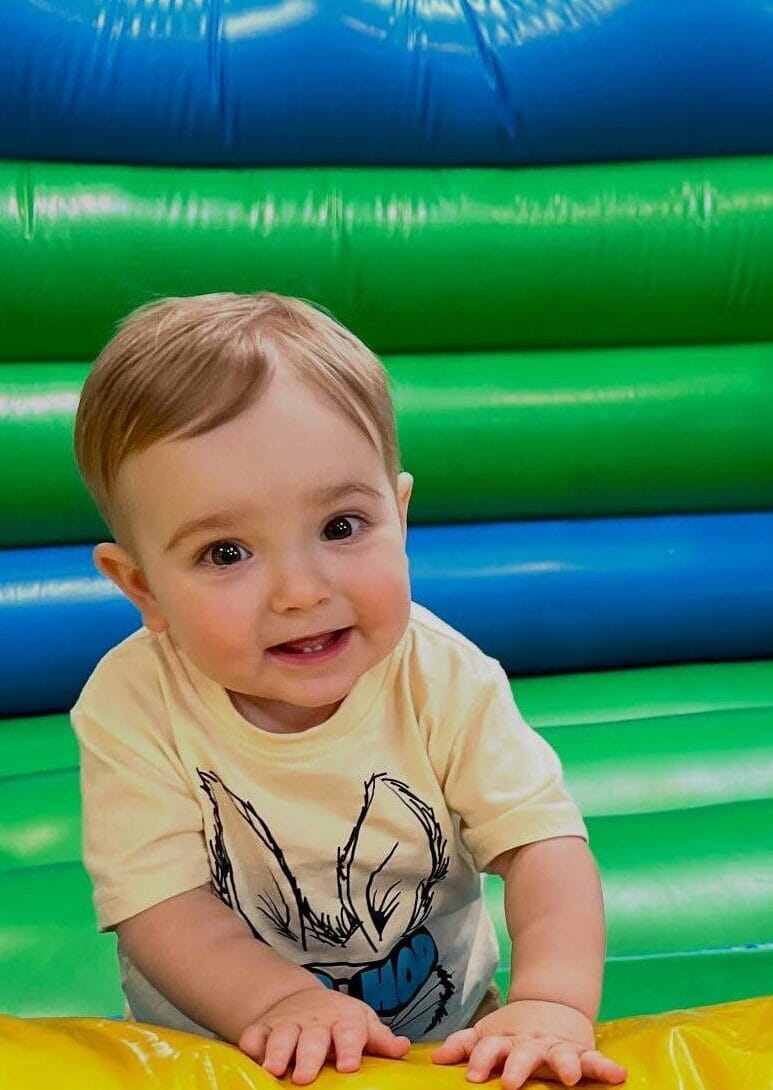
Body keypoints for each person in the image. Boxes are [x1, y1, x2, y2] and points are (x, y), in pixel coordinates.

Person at [69, 293, 627, 1090]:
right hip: (225, 1054)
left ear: (398, 517)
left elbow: (543, 849)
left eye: (340, 527)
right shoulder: (133, 704)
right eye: (226, 552)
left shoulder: (442, 676)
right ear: (141, 589)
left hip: (443, 1041)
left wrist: (550, 1004)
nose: (300, 590)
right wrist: (280, 999)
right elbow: (162, 905)